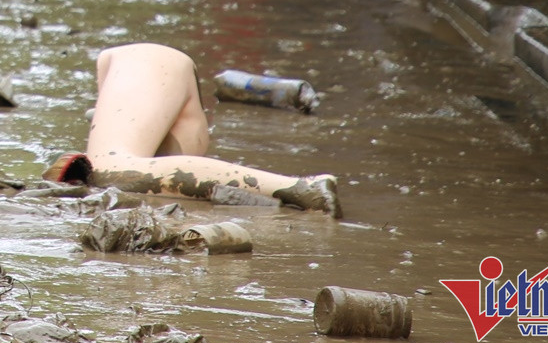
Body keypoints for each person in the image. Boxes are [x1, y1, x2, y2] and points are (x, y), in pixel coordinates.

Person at [41, 43, 341, 216]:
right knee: (125, 178)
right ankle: (291, 193)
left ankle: (302, 189)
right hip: (165, 114)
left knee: (110, 170)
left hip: (147, 63)